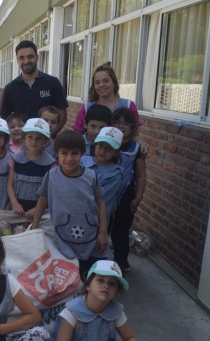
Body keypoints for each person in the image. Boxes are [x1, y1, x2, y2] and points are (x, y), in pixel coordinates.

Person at [31, 130, 108, 280]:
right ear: (57, 154)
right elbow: (42, 201)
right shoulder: (51, 176)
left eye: (75, 153)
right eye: (64, 153)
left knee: (90, 275)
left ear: (82, 153)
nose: (69, 158)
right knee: (67, 275)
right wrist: (34, 228)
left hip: (90, 234)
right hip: (62, 234)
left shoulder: (90, 176)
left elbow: (101, 203)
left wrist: (103, 233)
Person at [0, 40, 68, 133]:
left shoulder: (52, 83)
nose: (26, 61)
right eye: (22, 58)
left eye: (30, 57)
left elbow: (62, 116)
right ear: (17, 60)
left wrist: (49, 138)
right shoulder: (10, 89)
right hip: (20, 144)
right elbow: (4, 119)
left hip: (46, 143)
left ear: (37, 58)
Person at [109, 108, 147, 274]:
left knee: (121, 229)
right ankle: (101, 261)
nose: (121, 126)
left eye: (126, 123)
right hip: (106, 193)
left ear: (132, 127)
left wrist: (137, 198)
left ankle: (120, 262)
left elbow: (141, 176)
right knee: (104, 225)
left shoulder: (136, 148)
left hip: (126, 194)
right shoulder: (105, 143)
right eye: (117, 122)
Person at [7, 118, 56, 216]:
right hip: (17, 211)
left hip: (40, 213)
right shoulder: (16, 160)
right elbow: (10, 184)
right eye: (30, 137)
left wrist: (37, 209)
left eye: (39, 138)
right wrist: (15, 203)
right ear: (24, 138)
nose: (34, 141)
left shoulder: (51, 164)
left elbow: (51, 192)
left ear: (46, 141)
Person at [72, 63, 140, 133]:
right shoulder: (87, 108)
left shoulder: (128, 106)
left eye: (106, 81)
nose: (101, 85)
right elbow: (77, 135)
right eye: (97, 82)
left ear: (114, 83)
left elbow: (135, 133)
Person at [81, 127, 125, 223]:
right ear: (95, 145)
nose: (103, 151)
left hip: (96, 220)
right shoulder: (82, 161)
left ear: (116, 152)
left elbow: (101, 199)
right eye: (100, 145)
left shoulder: (114, 174)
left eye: (109, 148)